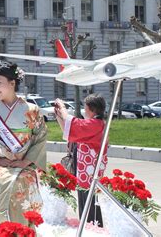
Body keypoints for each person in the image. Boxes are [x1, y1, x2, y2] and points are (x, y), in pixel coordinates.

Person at [0, 61, 47, 225]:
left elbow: (40, 139)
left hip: (24, 165)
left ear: (12, 83)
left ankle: (21, 229)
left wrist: (25, 162)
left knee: (23, 181)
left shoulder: (32, 110)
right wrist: (0, 161)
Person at [55, 94, 107, 227]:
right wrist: (58, 115)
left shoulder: (95, 124)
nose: (84, 110)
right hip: (85, 170)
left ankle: (94, 229)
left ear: (91, 109)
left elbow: (73, 125)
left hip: (89, 171)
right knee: (85, 201)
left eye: (85, 107)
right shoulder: (95, 123)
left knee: (89, 202)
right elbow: (70, 133)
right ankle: (88, 228)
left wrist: (62, 108)